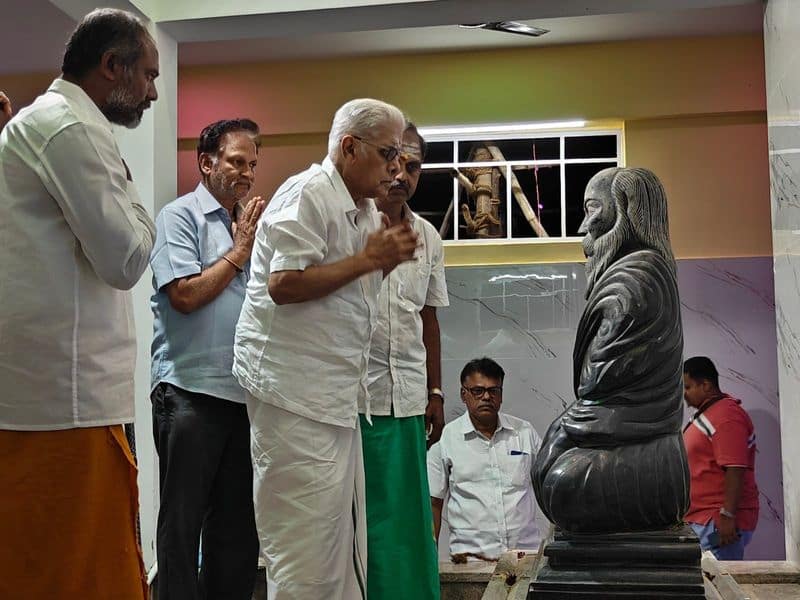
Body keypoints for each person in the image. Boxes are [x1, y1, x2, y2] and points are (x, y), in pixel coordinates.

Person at [0, 8, 158, 599]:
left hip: (56, 397)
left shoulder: (54, 122)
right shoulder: (68, 127)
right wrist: (135, 197)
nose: (152, 92)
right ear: (110, 66)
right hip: (63, 404)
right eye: (146, 74)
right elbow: (126, 258)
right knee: (75, 575)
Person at [233, 98, 418, 600]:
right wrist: (368, 261)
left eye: (401, 156)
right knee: (303, 553)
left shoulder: (364, 212)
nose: (396, 169)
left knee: (341, 549)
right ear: (349, 147)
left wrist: (381, 261)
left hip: (334, 399)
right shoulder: (308, 193)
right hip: (293, 396)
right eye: (387, 154)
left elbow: (346, 304)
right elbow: (284, 283)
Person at [532, 167, 688, 534]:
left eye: (591, 210)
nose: (583, 229)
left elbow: (595, 389)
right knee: (554, 471)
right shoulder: (642, 272)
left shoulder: (635, 282)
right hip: (640, 446)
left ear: (624, 214)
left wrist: (563, 430)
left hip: (650, 458)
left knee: (562, 482)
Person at [150, 119, 264, 599]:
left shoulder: (253, 226)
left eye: (253, 165)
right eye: (237, 161)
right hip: (188, 392)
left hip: (243, 398)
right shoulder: (179, 218)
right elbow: (184, 295)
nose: (247, 173)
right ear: (206, 162)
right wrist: (239, 252)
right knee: (182, 526)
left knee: (238, 533)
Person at [361, 122, 448, 599]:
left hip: (410, 401)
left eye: (413, 166)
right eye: (394, 162)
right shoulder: (350, 227)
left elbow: (428, 320)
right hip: (357, 402)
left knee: (410, 522)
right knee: (367, 523)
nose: (402, 175)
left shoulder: (429, 237)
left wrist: (435, 392)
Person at [427, 358, 543, 561]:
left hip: (526, 560)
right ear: (464, 394)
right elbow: (433, 503)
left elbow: (551, 488)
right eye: (478, 391)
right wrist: (428, 562)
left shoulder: (524, 433)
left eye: (493, 391)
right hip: (469, 564)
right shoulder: (446, 439)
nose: (486, 397)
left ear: (501, 395)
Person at [683, 356, 759, 560]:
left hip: (717, 523)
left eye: (688, 387)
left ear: (705, 385)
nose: (684, 394)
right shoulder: (709, 414)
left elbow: (735, 467)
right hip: (704, 519)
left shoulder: (727, 416)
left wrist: (727, 516)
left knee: (718, 588)